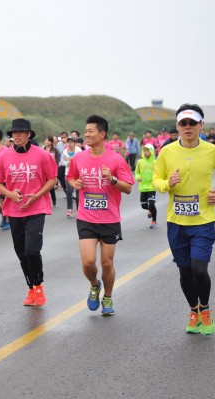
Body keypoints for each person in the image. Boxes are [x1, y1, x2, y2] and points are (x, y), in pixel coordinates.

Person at [153, 104, 215, 335]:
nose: (187, 127)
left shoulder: (212, 150)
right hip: (176, 223)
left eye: (192, 123)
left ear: (202, 125)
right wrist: (167, 183)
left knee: (199, 269)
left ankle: (206, 309)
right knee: (185, 271)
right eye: (183, 123)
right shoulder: (167, 152)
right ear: (177, 126)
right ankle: (193, 311)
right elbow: (155, 180)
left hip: (203, 221)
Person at [66, 115, 134, 316]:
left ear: (102, 134)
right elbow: (70, 177)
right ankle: (95, 285)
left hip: (110, 219)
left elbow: (128, 188)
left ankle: (108, 296)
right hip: (86, 217)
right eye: (85, 131)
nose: (86, 134)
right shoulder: (78, 158)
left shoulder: (116, 159)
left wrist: (111, 179)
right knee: (88, 262)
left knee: (106, 263)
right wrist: (74, 184)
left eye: (90, 131)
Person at [0, 118, 58, 307]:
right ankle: (31, 288)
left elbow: (52, 179)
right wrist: (9, 194)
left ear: (29, 135)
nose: (17, 135)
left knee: (32, 250)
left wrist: (36, 196)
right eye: (14, 133)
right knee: (21, 252)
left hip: (36, 208)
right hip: (14, 210)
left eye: (21, 132)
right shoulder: (4, 157)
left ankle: (39, 286)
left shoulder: (42, 155)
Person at [135, 143, 158, 228]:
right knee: (144, 205)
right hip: (143, 187)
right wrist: (138, 177)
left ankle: (154, 221)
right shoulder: (140, 162)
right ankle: (150, 210)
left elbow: (159, 173)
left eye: (147, 150)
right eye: (144, 150)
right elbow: (136, 172)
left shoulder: (155, 162)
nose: (145, 152)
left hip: (152, 187)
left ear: (151, 151)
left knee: (151, 204)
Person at [60, 137, 82, 217]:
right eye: (68, 142)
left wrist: (74, 161)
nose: (70, 143)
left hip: (78, 173)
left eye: (71, 142)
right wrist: (67, 163)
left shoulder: (79, 150)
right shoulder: (65, 151)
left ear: (74, 142)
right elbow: (62, 161)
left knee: (78, 192)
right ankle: (69, 209)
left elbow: (82, 159)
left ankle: (79, 209)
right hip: (68, 173)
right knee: (69, 192)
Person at [42, 136, 61, 207]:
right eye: (45, 140)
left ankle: (54, 200)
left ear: (51, 142)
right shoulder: (42, 149)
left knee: (51, 186)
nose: (46, 142)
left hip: (52, 170)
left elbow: (57, 159)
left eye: (48, 140)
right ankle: (44, 201)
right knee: (43, 186)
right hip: (44, 170)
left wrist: (55, 166)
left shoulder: (54, 150)